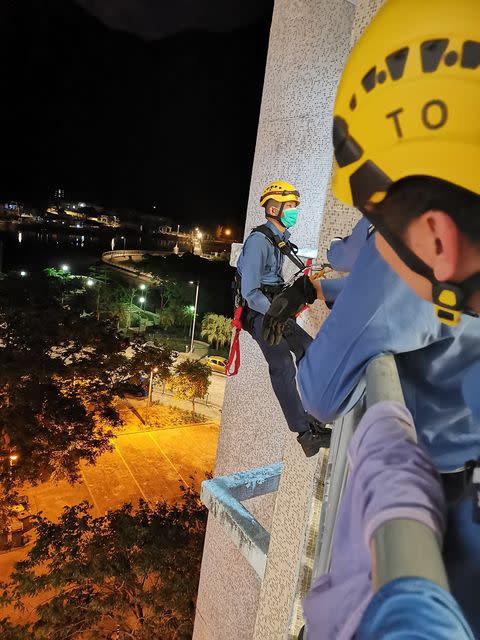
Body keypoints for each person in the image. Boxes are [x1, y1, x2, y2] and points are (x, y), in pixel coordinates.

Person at [236, 180, 330, 457]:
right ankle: (305, 434)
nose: (293, 212)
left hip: (276, 310)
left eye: (293, 207)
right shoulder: (257, 243)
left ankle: (315, 413)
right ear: (274, 208)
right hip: (259, 314)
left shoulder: (279, 240)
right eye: (289, 207)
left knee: (312, 351)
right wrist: (278, 313)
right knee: (282, 366)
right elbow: (251, 293)